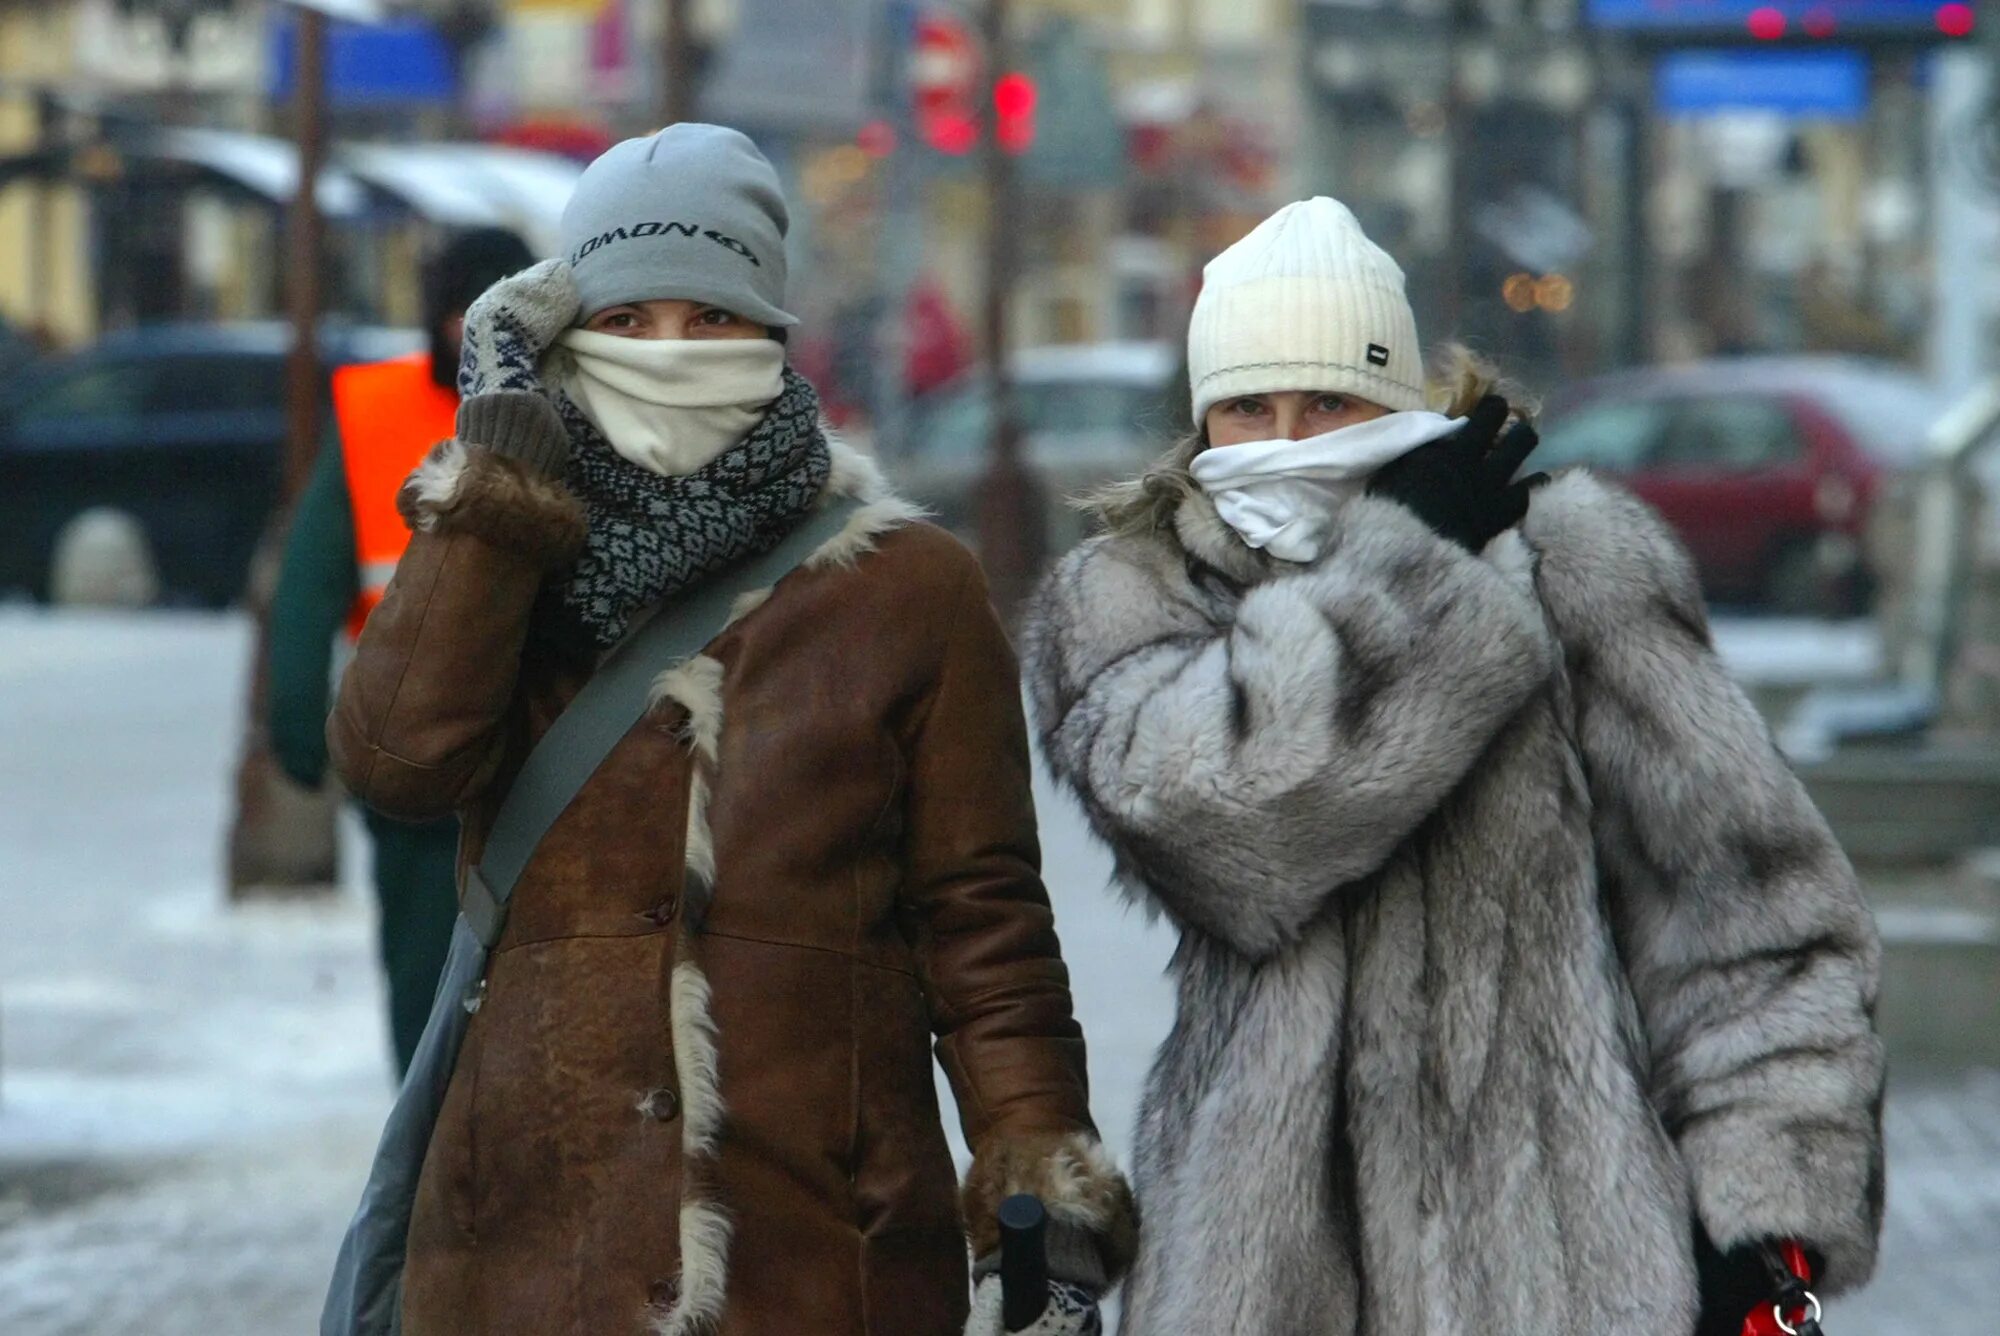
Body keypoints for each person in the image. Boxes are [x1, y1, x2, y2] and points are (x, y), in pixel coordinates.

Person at [1022, 197, 1885, 1335]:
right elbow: (1219, 814)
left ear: (1397, 401)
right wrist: (1409, 573)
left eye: (1327, 401)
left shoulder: (1573, 574)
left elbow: (1754, 925)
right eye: (1245, 408)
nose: (1285, 441)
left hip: (1557, 1278)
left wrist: (1764, 1223)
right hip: (1257, 1282)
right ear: (1198, 423)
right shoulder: (1136, 599)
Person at [327, 124, 1133, 1336]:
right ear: (561, 335)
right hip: (534, 1260)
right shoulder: (508, 566)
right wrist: (495, 478)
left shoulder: (908, 589)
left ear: (769, 332)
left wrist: (1039, 1201)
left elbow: (984, 922)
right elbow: (394, 762)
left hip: (820, 1254)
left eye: (709, 318)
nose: (668, 353)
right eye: (628, 319)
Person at [269, 227, 535, 1077]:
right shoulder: (379, 413)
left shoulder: (564, 414)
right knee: (434, 976)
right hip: (418, 754)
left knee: (487, 971)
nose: (467, 332)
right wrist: (298, 724)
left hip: (516, 747)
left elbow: (307, 586)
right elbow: (311, 582)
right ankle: (430, 1163)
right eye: (458, 310)